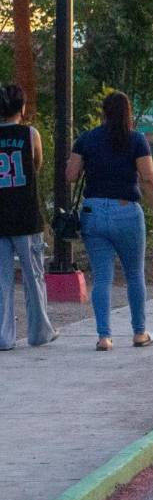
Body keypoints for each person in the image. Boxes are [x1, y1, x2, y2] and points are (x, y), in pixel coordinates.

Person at [66, 92, 153, 350]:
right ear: (127, 113)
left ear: (103, 112)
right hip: (126, 212)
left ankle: (104, 337)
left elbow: (71, 175)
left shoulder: (87, 138)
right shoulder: (136, 140)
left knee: (101, 278)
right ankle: (139, 333)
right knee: (134, 274)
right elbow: (148, 178)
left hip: (93, 212)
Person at [0, 85, 57, 350]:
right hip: (26, 216)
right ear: (22, 108)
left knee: (2, 280)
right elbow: (37, 164)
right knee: (34, 277)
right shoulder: (30, 134)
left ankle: (4, 337)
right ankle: (39, 332)